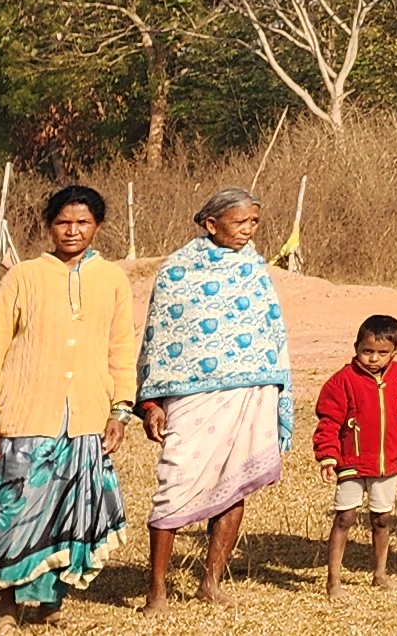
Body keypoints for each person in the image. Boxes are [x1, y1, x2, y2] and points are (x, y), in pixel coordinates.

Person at [0, 185, 133, 624]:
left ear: (97, 226)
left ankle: (51, 604)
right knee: (14, 512)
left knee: (70, 513)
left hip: (86, 418)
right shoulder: (22, 277)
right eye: (63, 222)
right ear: (49, 226)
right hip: (26, 414)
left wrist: (120, 410)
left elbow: (121, 349)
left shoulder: (112, 279)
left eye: (83, 223)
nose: (72, 231)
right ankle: (7, 605)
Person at [133, 187, 291, 612]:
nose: (248, 231)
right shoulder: (176, 273)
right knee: (174, 485)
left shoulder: (255, 269)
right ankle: (157, 591)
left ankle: (211, 581)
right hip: (190, 397)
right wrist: (152, 404)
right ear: (211, 224)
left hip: (249, 393)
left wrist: (276, 395)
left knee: (235, 483)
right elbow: (158, 341)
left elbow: (271, 336)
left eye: (254, 222)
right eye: (240, 223)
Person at [311, 314, 397, 593]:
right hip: (352, 462)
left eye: (382, 353)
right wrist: (328, 455)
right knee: (344, 517)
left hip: (387, 464)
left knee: (382, 519)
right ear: (356, 347)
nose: (374, 359)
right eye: (367, 351)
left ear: (395, 352)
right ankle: (333, 579)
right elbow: (328, 422)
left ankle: (380, 573)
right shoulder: (342, 381)